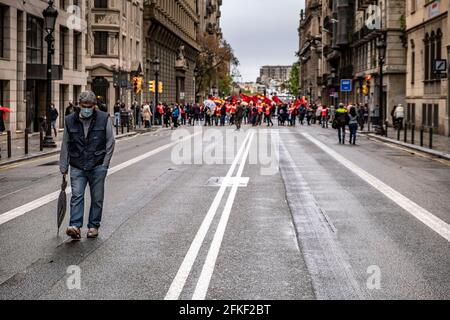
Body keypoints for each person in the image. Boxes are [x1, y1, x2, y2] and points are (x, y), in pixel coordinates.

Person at [60, 91, 116, 240]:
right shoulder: (69, 120)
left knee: (97, 198)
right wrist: (63, 166)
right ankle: (75, 226)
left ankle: (93, 226)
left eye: (89, 106)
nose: (86, 109)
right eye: (84, 106)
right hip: (77, 165)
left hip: (97, 165)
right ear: (79, 105)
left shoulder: (104, 118)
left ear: (94, 106)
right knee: (76, 196)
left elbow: (110, 142)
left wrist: (105, 164)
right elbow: (65, 143)